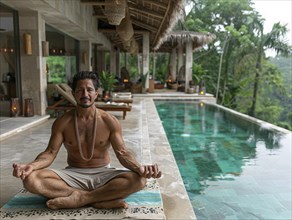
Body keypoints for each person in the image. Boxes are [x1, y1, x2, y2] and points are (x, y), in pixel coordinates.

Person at [12, 71, 162, 210]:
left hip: (103, 172)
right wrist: (31, 166)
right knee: (31, 179)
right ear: (74, 93)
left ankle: (80, 198)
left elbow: (122, 153)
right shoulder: (63, 122)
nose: (85, 94)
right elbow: (50, 153)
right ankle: (99, 199)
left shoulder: (109, 121)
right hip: (73, 174)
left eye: (89, 90)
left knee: (139, 180)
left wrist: (139, 168)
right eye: (80, 90)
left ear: (96, 93)